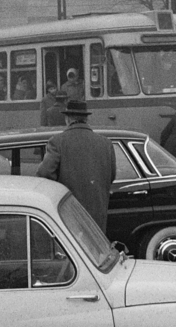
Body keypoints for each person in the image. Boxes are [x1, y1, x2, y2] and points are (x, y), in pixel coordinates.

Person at [40, 97, 118, 234]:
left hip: (68, 212)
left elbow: (44, 175)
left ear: (68, 119)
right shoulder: (105, 143)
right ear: (86, 119)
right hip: (97, 214)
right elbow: (111, 176)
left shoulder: (57, 142)